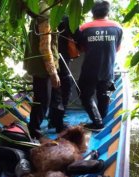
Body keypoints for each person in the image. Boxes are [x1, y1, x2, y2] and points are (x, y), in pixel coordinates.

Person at [75, 0, 123, 131]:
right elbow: (117, 48)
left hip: (89, 70)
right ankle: (101, 120)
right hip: (108, 70)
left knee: (84, 95)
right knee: (104, 96)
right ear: (107, 12)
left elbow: (81, 49)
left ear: (92, 12)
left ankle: (97, 122)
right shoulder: (117, 27)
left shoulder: (84, 28)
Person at [24, 1, 61, 138]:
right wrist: (53, 72)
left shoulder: (39, 7)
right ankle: (34, 130)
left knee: (43, 97)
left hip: (39, 63)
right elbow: (45, 46)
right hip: (42, 65)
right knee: (43, 99)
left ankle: (42, 125)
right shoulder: (46, 12)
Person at [48, 16, 75, 133]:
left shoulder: (50, 16)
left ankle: (53, 120)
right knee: (63, 91)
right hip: (61, 61)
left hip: (53, 61)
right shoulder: (66, 18)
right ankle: (58, 124)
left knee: (55, 92)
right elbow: (76, 34)